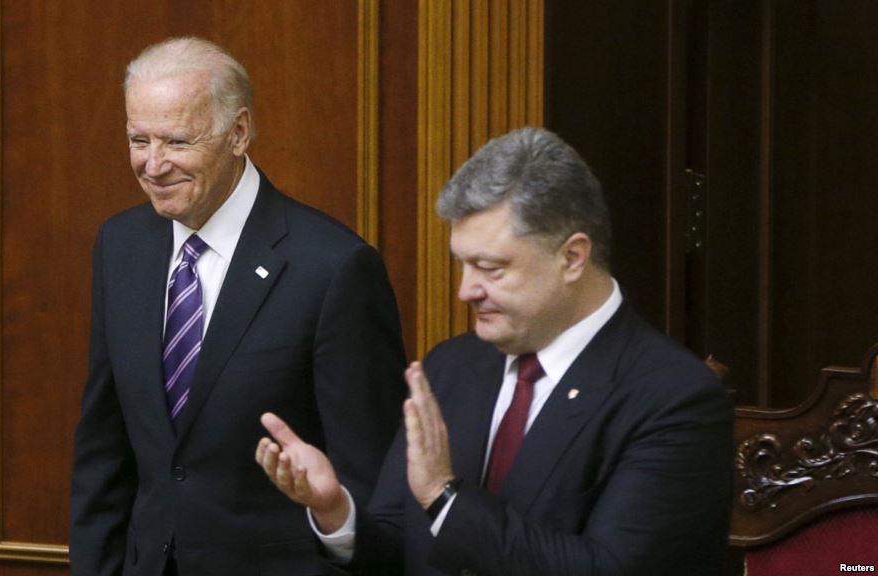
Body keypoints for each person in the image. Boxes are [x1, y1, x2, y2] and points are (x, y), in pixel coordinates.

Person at [257, 128, 734, 575]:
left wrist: (447, 500)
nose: (466, 291)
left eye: (490, 268)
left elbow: (608, 569)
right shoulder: (451, 368)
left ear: (572, 258)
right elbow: (398, 550)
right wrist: (336, 512)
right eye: (462, 265)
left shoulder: (676, 398)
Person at [69, 36, 406, 576]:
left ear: (239, 133)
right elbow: (104, 448)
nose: (152, 165)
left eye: (176, 141)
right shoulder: (120, 246)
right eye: (138, 139)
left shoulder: (333, 268)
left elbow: (373, 483)